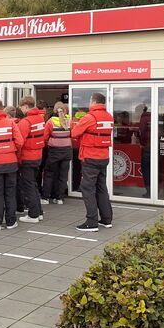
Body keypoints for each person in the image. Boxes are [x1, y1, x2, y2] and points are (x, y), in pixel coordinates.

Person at [71, 93, 114, 232]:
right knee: (101, 187)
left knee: (87, 189)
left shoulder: (89, 117)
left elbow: (74, 133)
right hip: (104, 157)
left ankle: (91, 222)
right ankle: (107, 219)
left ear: (93, 101)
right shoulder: (109, 116)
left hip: (90, 157)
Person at [16, 96, 46, 223]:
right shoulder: (40, 119)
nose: (21, 109)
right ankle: (38, 212)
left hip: (27, 157)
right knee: (33, 184)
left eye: (21, 107)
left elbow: (19, 142)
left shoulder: (25, 122)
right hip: (38, 155)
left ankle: (33, 215)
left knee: (28, 185)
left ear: (26, 106)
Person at [42, 102, 73, 206]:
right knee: (63, 175)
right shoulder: (69, 121)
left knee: (49, 174)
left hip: (54, 150)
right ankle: (59, 198)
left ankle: (45, 197)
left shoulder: (50, 122)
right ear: (65, 111)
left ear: (55, 110)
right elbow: (73, 134)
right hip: (67, 150)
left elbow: (45, 137)